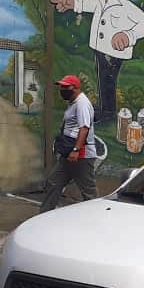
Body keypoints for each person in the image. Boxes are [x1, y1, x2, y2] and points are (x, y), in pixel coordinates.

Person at [40, 75, 98, 213]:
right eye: (61, 86)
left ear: (76, 88)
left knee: (88, 192)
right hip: (69, 154)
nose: (62, 89)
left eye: (66, 87)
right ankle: (44, 215)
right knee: (53, 182)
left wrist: (76, 150)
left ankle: (96, 219)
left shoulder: (82, 103)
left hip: (81, 155)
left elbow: (84, 128)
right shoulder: (73, 102)